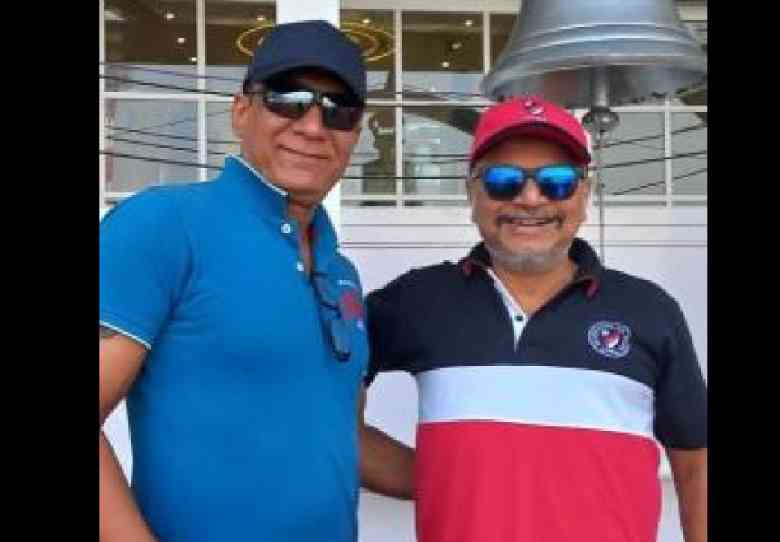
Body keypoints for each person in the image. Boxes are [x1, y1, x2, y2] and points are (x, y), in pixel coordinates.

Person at [100, 20, 409, 542]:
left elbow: (342, 437)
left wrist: (482, 474)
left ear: (355, 134)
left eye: (339, 110)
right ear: (242, 110)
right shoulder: (164, 226)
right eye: (288, 99)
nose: (313, 126)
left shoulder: (342, 275)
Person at [364, 96, 708, 542]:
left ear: (584, 194)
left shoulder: (649, 311)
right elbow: (319, 409)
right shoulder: (418, 301)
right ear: (472, 193)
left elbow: (696, 462)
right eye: (504, 181)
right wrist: (440, 477)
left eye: (557, 182)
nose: (530, 199)